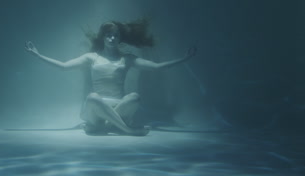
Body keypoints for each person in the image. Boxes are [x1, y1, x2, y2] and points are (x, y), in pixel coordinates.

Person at [25, 19, 196, 136]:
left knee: (135, 97)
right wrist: (38, 56)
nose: (112, 38)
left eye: (115, 35)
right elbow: (64, 66)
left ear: (120, 38)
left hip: (119, 106)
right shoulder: (91, 57)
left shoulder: (127, 58)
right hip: (95, 108)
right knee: (92, 97)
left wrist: (184, 59)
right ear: (103, 37)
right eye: (108, 35)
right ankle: (128, 130)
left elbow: (156, 67)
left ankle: (103, 127)